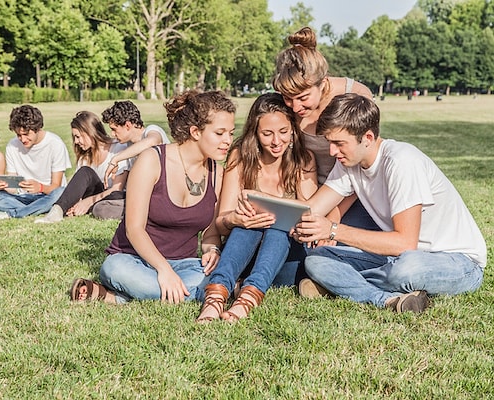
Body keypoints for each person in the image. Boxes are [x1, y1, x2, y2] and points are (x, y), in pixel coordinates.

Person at [292, 93, 487, 313]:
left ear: (367, 137)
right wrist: (266, 209)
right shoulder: (349, 163)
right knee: (316, 260)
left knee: (404, 271)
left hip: (457, 262)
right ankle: (388, 300)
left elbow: (404, 243)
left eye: (339, 143)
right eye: (330, 142)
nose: (332, 152)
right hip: (395, 258)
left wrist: (333, 230)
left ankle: (340, 285)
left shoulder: (401, 161)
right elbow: (313, 208)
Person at [69, 90, 236, 304]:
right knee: (114, 269)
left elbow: (210, 233)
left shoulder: (217, 174)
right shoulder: (152, 160)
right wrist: (164, 271)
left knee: (217, 272)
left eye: (230, 133)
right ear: (195, 131)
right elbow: (134, 229)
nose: (228, 141)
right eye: (220, 133)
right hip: (134, 259)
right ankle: (196, 292)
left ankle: (118, 297)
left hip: (184, 263)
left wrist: (212, 249)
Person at [196, 93, 318, 323]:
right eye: (267, 134)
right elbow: (221, 221)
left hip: (285, 257)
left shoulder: (303, 159)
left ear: (293, 129)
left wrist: (263, 199)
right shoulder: (241, 157)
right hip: (244, 254)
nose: (276, 141)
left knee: (277, 224)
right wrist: (236, 219)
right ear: (255, 133)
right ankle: (215, 296)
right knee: (248, 224)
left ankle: (247, 299)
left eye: (283, 131)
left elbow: (311, 212)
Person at [273, 26, 380, 235]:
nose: (295, 108)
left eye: (303, 98)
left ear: (323, 83)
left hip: (355, 193)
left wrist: (332, 220)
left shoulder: (354, 96)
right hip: (312, 193)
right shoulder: (288, 105)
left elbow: (360, 163)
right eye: (288, 98)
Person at [0, 105, 72, 219]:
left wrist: (41, 188)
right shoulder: (12, 146)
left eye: (26, 134)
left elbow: (56, 187)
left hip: (48, 195)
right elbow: (14, 187)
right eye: (18, 135)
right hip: (23, 197)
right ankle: (36, 210)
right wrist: (5, 186)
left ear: (37, 128)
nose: (22, 139)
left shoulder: (55, 144)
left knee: (61, 192)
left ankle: (13, 213)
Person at [34, 111, 129, 223]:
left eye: (78, 137)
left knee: (86, 174)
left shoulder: (118, 149)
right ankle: (57, 211)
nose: (76, 141)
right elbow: (78, 188)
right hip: (97, 196)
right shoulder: (85, 158)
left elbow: (117, 189)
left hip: (114, 197)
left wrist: (88, 201)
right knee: (84, 173)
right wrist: (75, 203)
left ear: (90, 132)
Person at [101, 100, 170, 185]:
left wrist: (116, 159)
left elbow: (153, 141)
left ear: (127, 125)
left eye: (114, 129)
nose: (112, 134)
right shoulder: (129, 144)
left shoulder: (152, 130)